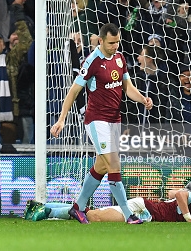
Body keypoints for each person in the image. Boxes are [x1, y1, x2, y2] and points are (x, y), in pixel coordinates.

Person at [50, 23, 153, 224]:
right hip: (97, 121)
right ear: (101, 40)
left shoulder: (120, 58)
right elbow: (74, 91)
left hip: (115, 120)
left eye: (117, 42)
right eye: (111, 43)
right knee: (114, 166)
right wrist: (62, 119)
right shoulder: (92, 62)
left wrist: (142, 99)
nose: (115, 46)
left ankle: (77, 208)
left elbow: (127, 87)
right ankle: (128, 215)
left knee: (102, 167)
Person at [24, 179, 191, 223]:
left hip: (147, 211)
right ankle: (47, 211)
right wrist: (188, 218)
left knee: (95, 214)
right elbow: (180, 194)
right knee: (95, 217)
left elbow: (172, 193)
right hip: (143, 211)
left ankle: (45, 207)